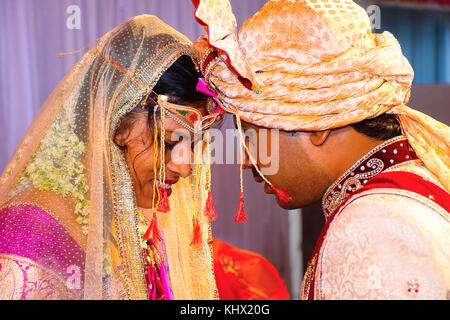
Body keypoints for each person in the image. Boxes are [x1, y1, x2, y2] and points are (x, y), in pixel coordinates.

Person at [0, 14, 289, 300]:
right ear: (116, 121)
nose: (185, 167)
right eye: (170, 141)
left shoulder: (135, 221)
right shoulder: (30, 235)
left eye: (194, 146)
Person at [192, 0, 450, 299]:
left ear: (318, 123)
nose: (245, 161)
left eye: (252, 134)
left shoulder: (373, 222)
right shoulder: (406, 185)